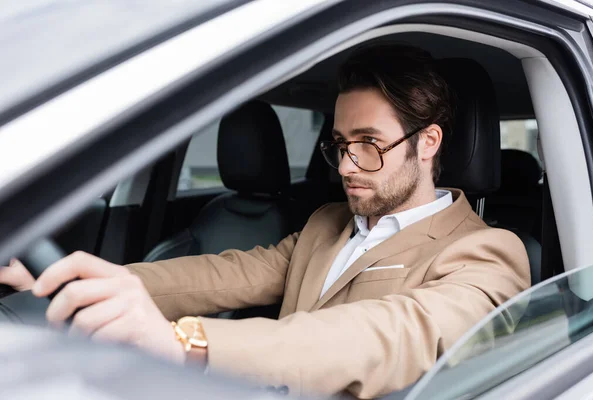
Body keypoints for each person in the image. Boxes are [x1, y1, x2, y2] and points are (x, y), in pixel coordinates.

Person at [0, 44, 530, 399]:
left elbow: (392, 333)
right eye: (341, 145)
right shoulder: (329, 221)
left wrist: (190, 344)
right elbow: (225, 275)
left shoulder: (490, 252)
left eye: (369, 144)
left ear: (428, 142)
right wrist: (77, 278)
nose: (347, 167)